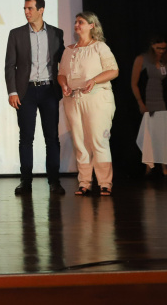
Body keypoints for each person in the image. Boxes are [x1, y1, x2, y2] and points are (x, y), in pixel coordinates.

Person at [5, 0, 66, 195]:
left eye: (30, 8)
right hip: (26, 91)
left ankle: (54, 181)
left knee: (52, 138)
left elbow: (63, 63)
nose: (26, 12)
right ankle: (26, 181)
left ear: (41, 10)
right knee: (26, 138)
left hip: (49, 90)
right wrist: (13, 91)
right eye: (25, 8)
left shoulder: (57, 33)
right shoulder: (16, 34)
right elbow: (9, 66)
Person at [57, 12, 119, 196]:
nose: (77, 25)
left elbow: (113, 71)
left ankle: (105, 183)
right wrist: (63, 84)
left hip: (97, 98)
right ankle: (84, 183)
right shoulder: (69, 50)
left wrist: (94, 80)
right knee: (80, 142)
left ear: (92, 25)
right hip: (73, 99)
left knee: (98, 140)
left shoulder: (100, 47)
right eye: (76, 22)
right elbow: (61, 73)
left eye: (81, 22)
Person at [131, 35, 167, 176]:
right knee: (149, 134)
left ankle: (164, 166)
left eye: (164, 48)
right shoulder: (142, 59)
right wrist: (140, 102)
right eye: (158, 48)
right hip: (147, 99)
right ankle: (149, 166)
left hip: (161, 100)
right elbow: (134, 83)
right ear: (152, 45)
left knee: (163, 134)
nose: (161, 51)